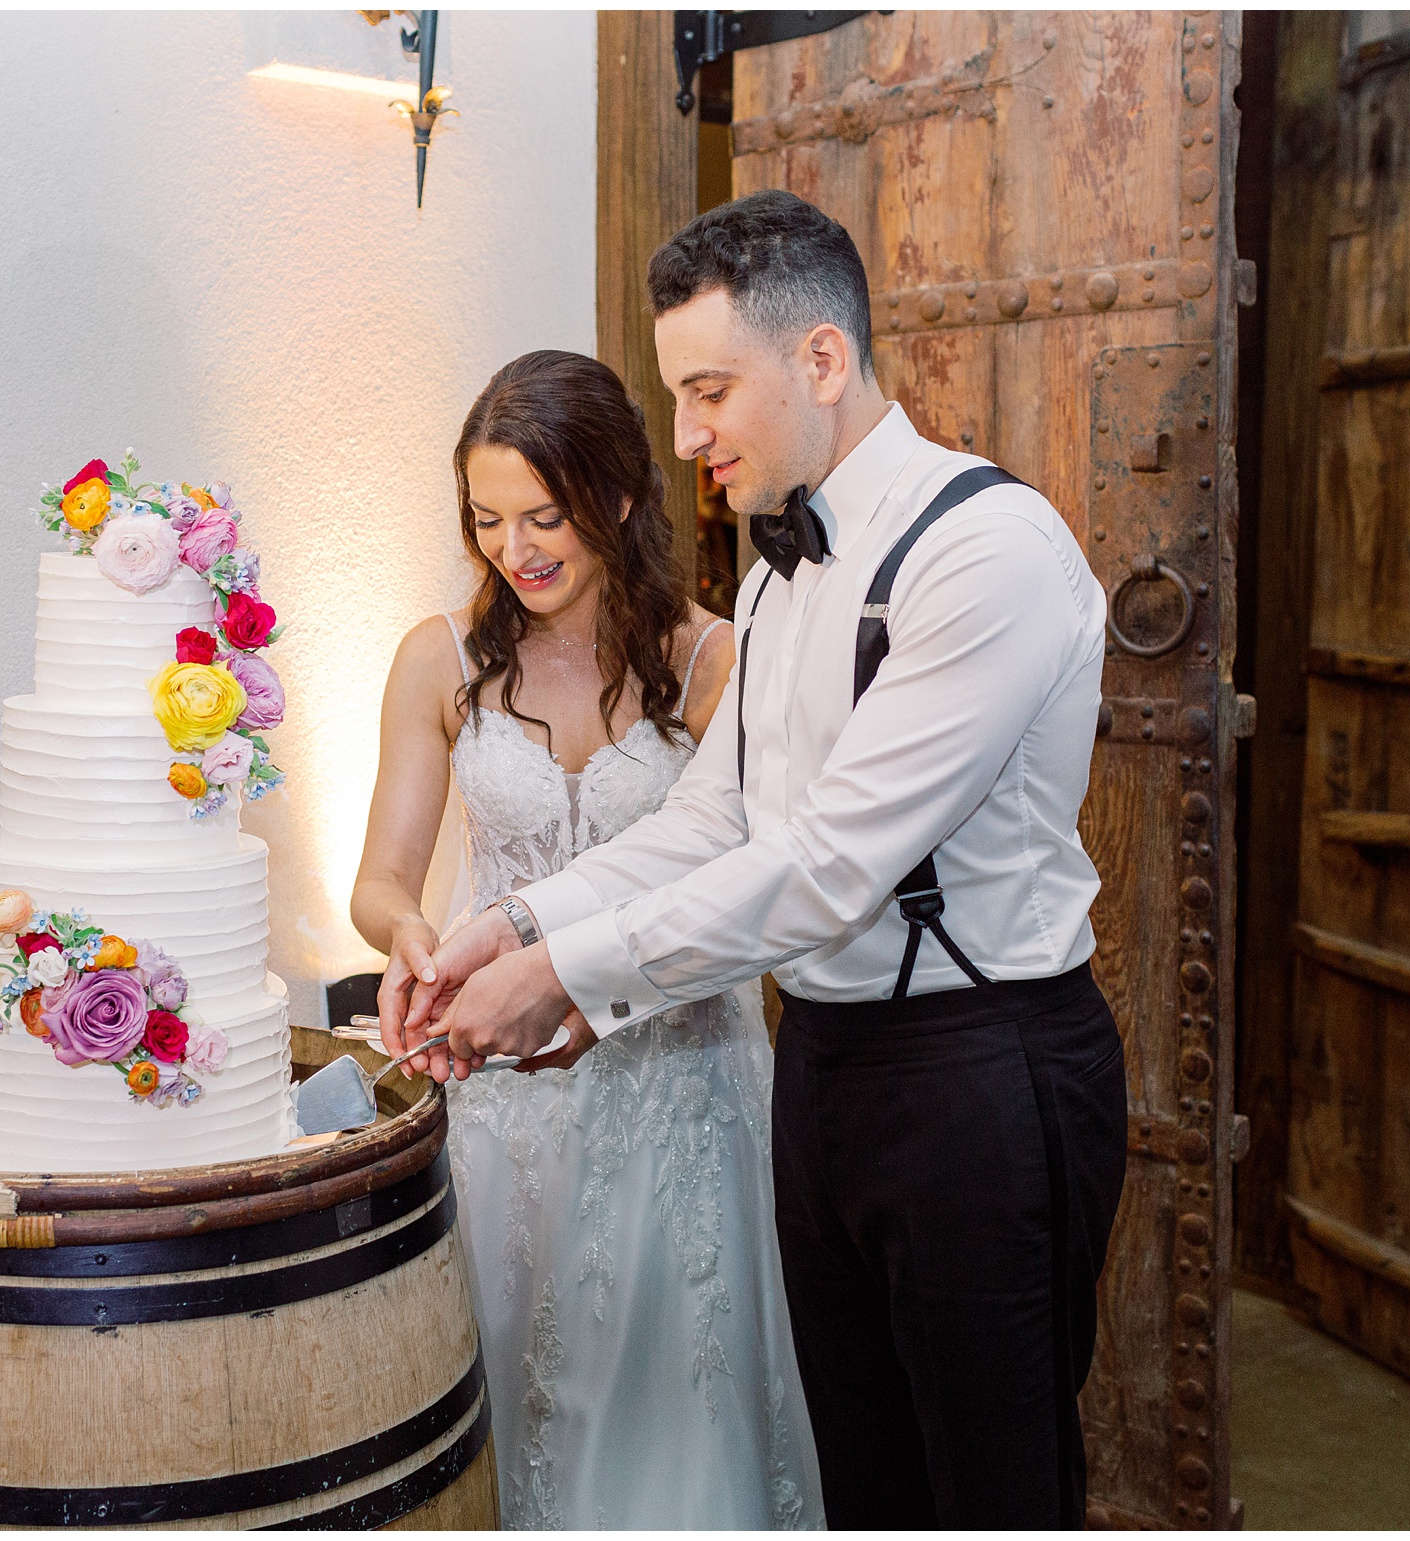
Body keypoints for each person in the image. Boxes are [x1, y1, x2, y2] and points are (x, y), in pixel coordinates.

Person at [400, 192, 1129, 1528]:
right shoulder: (782, 574)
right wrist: (505, 929)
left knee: (991, 1483)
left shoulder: (989, 552)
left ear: (824, 362)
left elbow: (826, 866)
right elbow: (709, 823)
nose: (685, 438)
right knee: (863, 1473)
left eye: (709, 392)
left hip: (981, 1069)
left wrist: (566, 972)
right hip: (831, 1064)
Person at [352, 348, 822, 1529]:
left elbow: (756, 879)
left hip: (679, 1085)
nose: (517, 548)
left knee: (675, 1408)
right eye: (488, 519)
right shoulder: (440, 660)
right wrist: (411, 933)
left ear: (615, 495)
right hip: (498, 1096)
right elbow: (379, 881)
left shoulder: (714, 665)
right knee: (504, 1384)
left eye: (544, 513)